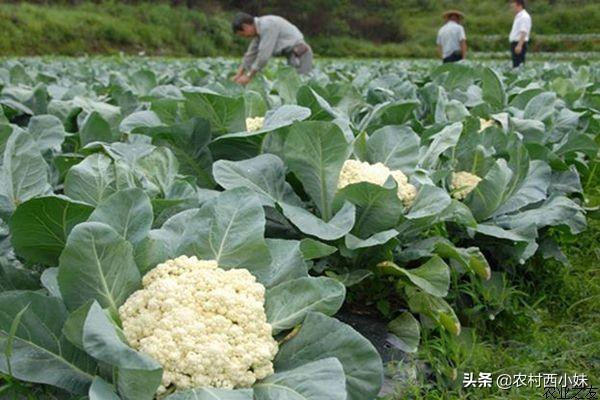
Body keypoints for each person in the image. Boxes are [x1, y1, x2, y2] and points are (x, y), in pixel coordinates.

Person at [231, 13, 313, 85]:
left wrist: (248, 76)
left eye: (243, 34)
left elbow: (263, 56)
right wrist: (238, 75)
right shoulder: (258, 31)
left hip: (300, 55)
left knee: (301, 85)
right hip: (292, 56)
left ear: (246, 27)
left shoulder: (267, 25)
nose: (245, 37)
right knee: (293, 86)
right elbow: (250, 55)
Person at [509, 0, 532, 67]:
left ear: (519, 5)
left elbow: (524, 32)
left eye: (513, 5)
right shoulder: (518, 16)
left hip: (519, 43)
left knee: (518, 65)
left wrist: (519, 45)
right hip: (515, 43)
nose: (512, 7)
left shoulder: (524, 16)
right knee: (515, 64)